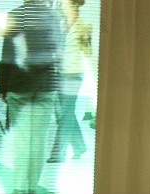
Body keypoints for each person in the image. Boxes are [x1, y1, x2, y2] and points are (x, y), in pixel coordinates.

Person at [0, 0, 63, 194]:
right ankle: (32, 187)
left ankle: (19, 187)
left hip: (20, 83)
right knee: (39, 139)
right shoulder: (53, 16)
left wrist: (1, 86)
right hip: (46, 84)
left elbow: (7, 54)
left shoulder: (15, 15)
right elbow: (57, 52)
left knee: (21, 140)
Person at [48, 0, 92, 164]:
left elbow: (88, 54)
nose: (61, 6)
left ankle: (58, 153)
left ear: (74, 6)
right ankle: (80, 146)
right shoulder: (59, 25)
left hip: (73, 74)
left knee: (65, 114)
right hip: (59, 73)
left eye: (65, 4)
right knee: (65, 113)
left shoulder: (84, 26)